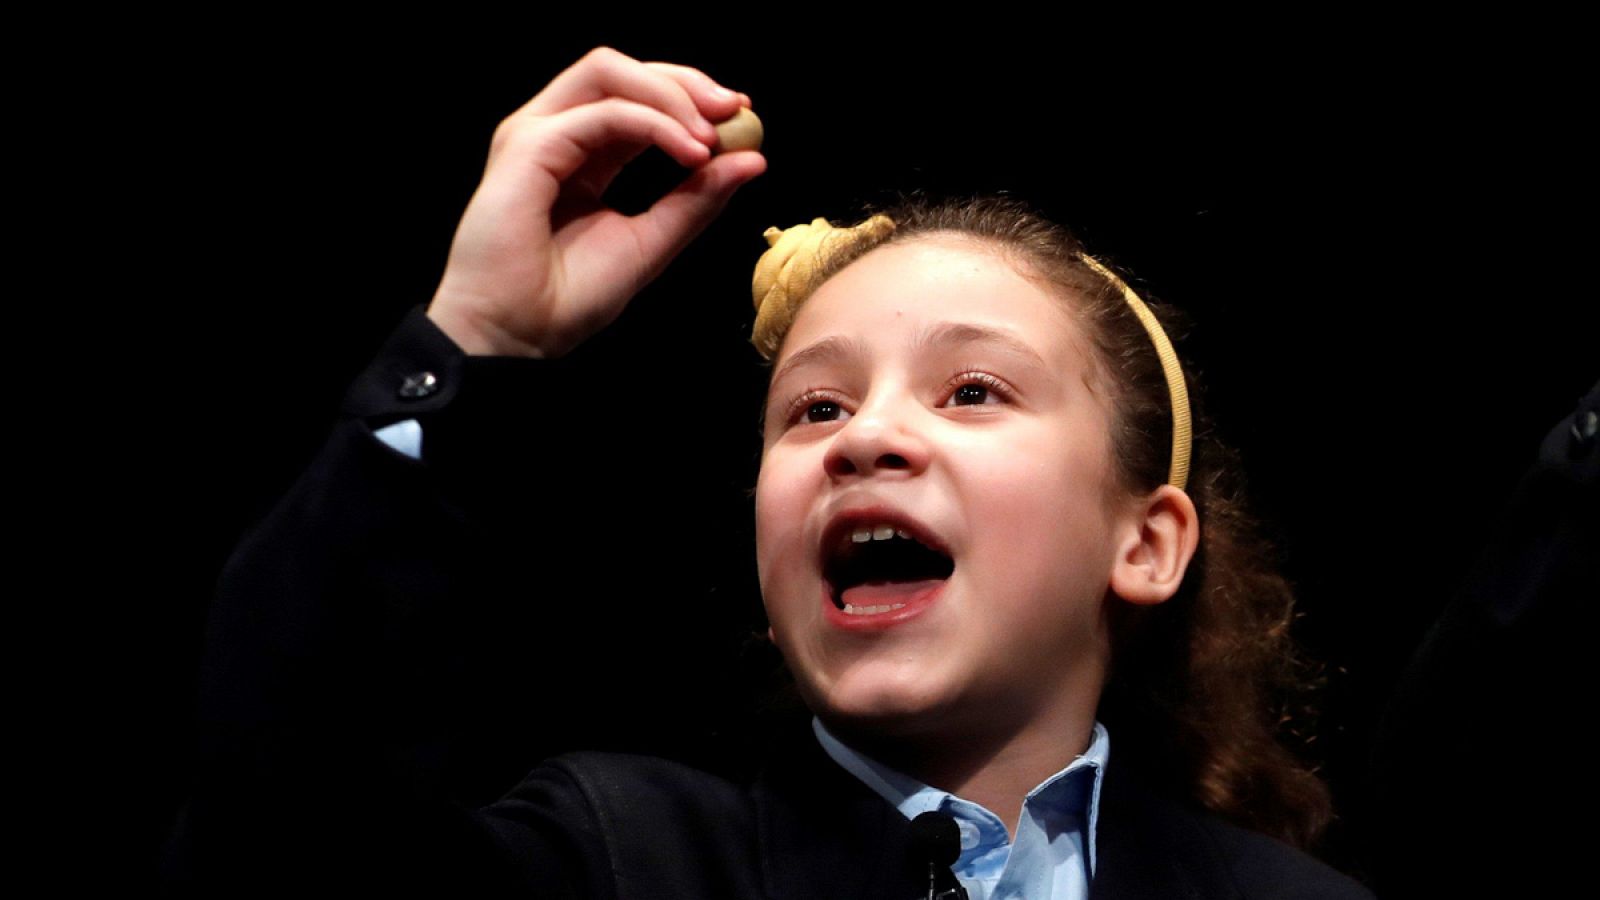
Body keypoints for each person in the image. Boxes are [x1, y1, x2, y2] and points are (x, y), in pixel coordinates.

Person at [164, 47, 1377, 898]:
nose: (862, 438)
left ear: (1147, 543)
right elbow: (277, 836)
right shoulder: (616, 858)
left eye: (971, 392)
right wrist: (472, 339)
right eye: (812, 408)